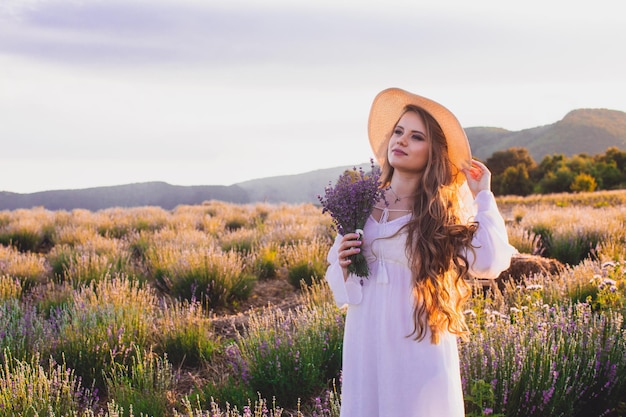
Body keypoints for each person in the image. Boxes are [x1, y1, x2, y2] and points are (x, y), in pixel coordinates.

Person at [324, 88, 516, 417]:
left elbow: (490, 261)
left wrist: (483, 196)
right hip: (366, 335)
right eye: (398, 132)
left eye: (416, 137)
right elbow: (342, 290)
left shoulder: (440, 213)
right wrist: (340, 261)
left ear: (433, 153)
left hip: (417, 338)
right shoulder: (361, 203)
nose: (401, 141)